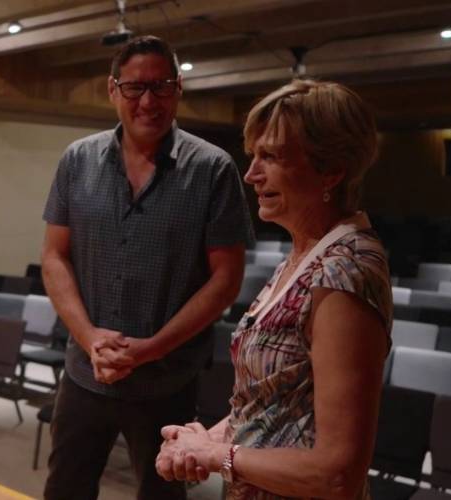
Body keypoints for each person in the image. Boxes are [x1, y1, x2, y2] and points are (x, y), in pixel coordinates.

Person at [155, 79, 392, 499]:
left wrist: (216, 455)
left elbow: (337, 474)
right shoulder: (302, 256)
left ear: (331, 170)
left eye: (271, 157)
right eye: (253, 156)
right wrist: (205, 441)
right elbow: (272, 407)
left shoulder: (344, 270)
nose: (251, 175)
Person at [41, 35, 253, 500]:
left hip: (167, 380)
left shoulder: (213, 169)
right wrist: (90, 338)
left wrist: (150, 350)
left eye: (162, 86)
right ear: (112, 89)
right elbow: (54, 257)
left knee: (161, 497)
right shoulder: (77, 160)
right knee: (65, 490)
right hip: (85, 373)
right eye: (135, 87)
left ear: (179, 89)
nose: (149, 101)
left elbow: (226, 280)